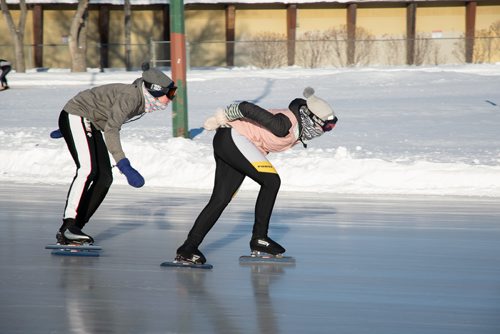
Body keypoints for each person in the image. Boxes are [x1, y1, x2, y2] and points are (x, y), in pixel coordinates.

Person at [175, 87, 338, 264]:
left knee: (220, 199)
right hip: (233, 139)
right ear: (311, 119)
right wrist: (220, 118)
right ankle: (260, 238)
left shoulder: (298, 125)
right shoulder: (284, 124)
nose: (327, 130)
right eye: (327, 126)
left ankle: (188, 248)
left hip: (231, 141)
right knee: (272, 182)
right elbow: (245, 107)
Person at [56, 66, 177, 245]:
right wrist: (123, 164)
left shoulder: (142, 99)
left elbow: (106, 111)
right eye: (171, 93)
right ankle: (68, 226)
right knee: (88, 170)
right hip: (77, 115)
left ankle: (76, 228)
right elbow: (112, 128)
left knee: (104, 177)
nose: (172, 98)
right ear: (155, 90)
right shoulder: (131, 97)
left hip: (89, 121)